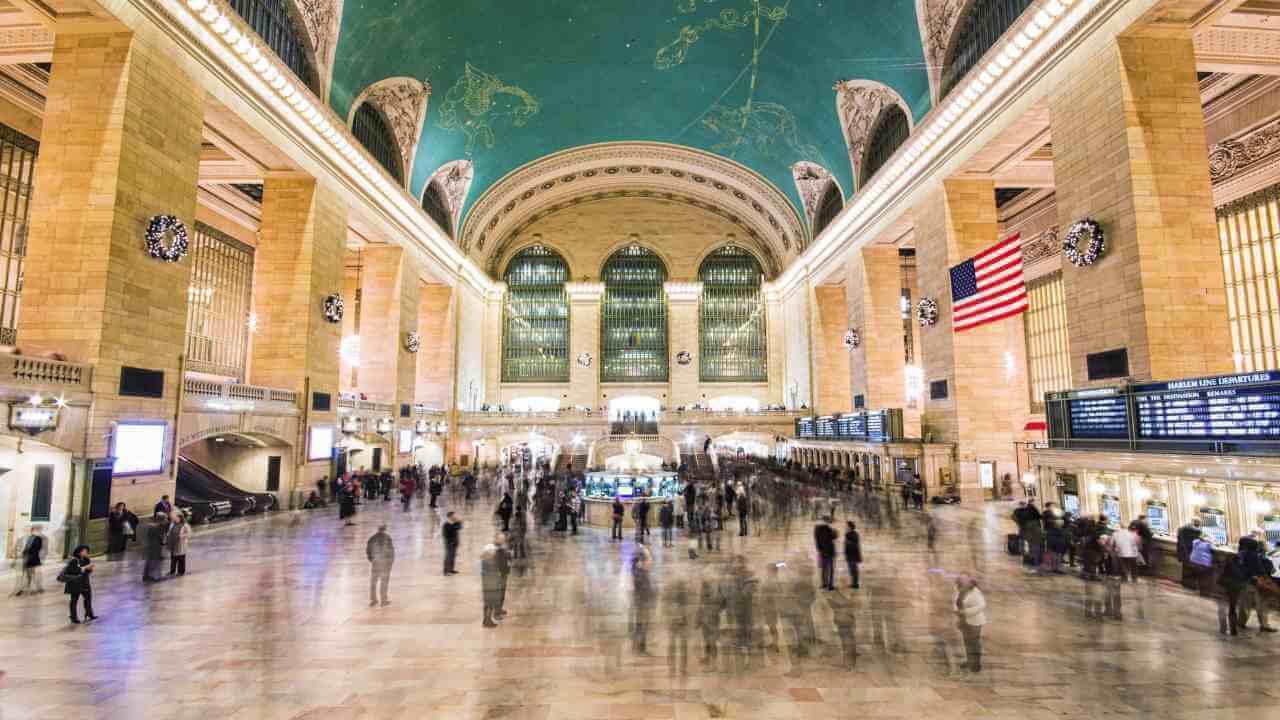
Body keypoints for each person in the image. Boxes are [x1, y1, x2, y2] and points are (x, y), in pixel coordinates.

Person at [954, 575, 986, 673]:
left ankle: (976, 664)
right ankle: (969, 660)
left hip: (975, 622)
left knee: (975, 643)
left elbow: (982, 605)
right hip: (964, 621)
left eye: (965, 582)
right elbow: (957, 603)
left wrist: (966, 612)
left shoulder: (975, 592)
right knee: (967, 642)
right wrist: (958, 612)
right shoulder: (960, 591)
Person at [61, 544, 96, 623]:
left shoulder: (86, 559)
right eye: (85, 551)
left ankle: (89, 613)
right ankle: (73, 617)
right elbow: (74, 571)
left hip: (84, 582)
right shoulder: (73, 560)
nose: (86, 552)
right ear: (79, 552)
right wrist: (85, 568)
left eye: (87, 551)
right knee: (74, 600)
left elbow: (87, 572)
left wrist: (90, 569)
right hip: (75, 583)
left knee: (88, 599)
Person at [632, 542, 654, 654]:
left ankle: (639, 646)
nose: (651, 562)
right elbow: (643, 589)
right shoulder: (640, 573)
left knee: (641, 624)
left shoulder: (640, 571)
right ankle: (640, 647)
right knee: (641, 624)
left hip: (642, 601)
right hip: (642, 602)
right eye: (648, 559)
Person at [366, 524, 395, 607]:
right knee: (384, 581)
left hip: (375, 562)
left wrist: (372, 560)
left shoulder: (372, 538)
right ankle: (383, 600)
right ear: (385, 529)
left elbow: (368, 550)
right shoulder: (387, 538)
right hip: (384, 563)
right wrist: (390, 562)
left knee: (373, 581)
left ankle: (373, 599)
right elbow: (391, 551)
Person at [14, 525, 48, 595]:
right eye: (26, 530)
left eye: (29, 530)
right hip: (25, 559)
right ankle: (22, 589)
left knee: (33, 574)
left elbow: (38, 548)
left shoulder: (38, 538)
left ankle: (36, 588)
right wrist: (21, 555)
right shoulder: (23, 538)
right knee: (24, 575)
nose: (27, 531)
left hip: (32, 559)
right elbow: (22, 548)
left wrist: (41, 558)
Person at [1177, 518, 1204, 589]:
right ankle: (1192, 585)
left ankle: (1185, 583)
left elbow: (1179, 540)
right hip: (1193, 553)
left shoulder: (1182, 529)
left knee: (1185, 568)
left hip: (1184, 552)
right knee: (1193, 569)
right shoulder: (1198, 532)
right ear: (1197, 523)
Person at [481, 541, 502, 627]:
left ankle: (486, 620)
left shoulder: (484, 561)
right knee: (489, 604)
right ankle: (487, 621)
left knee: (488, 604)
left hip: (487, 587)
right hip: (491, 587)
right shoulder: (489, 562)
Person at [814, 516, 837, 591]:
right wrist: (834, 530)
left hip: (822, 551)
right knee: (830, 569)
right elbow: (834, 536)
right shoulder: (828, 529)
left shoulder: (816, 529)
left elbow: (816, 541)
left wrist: (819, 550)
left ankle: (824, 584)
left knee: (824, 568)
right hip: (830, 551)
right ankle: (830, 585)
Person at [142, 513, 167, 583]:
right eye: (165, 519)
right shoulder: (158, 527)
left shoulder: (150, 526)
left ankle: (146, 576)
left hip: (149, 546)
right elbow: (162, 539)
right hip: (156, 547)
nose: (166, 520)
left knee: (149, 561)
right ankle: (153, 576)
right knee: (155, 562)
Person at [844, 521, 862, 589]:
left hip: (852, 555)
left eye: (847, 526)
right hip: (850, 555)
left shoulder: (853, 534)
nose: (845, 527)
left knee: (854, 570)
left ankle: (855, 584)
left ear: (850, 527)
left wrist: (848, 542)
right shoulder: (849, 534)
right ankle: (854, 583)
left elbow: (853, 545)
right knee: (852, 570)